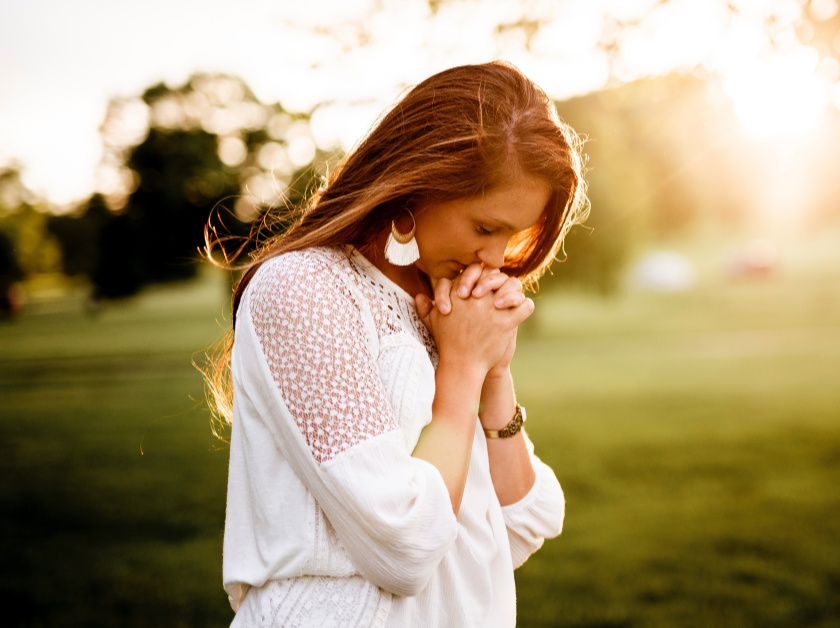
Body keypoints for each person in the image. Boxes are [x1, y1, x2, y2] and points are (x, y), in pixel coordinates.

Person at [205, 61, 587, 627]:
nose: (496, 259)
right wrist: (459, 371)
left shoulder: (443, 305)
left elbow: (519, 523)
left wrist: (493, 373)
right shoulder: (307, 290)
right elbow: (405, 545)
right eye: (485, 228)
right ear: (419, 185)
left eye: (512, 234)